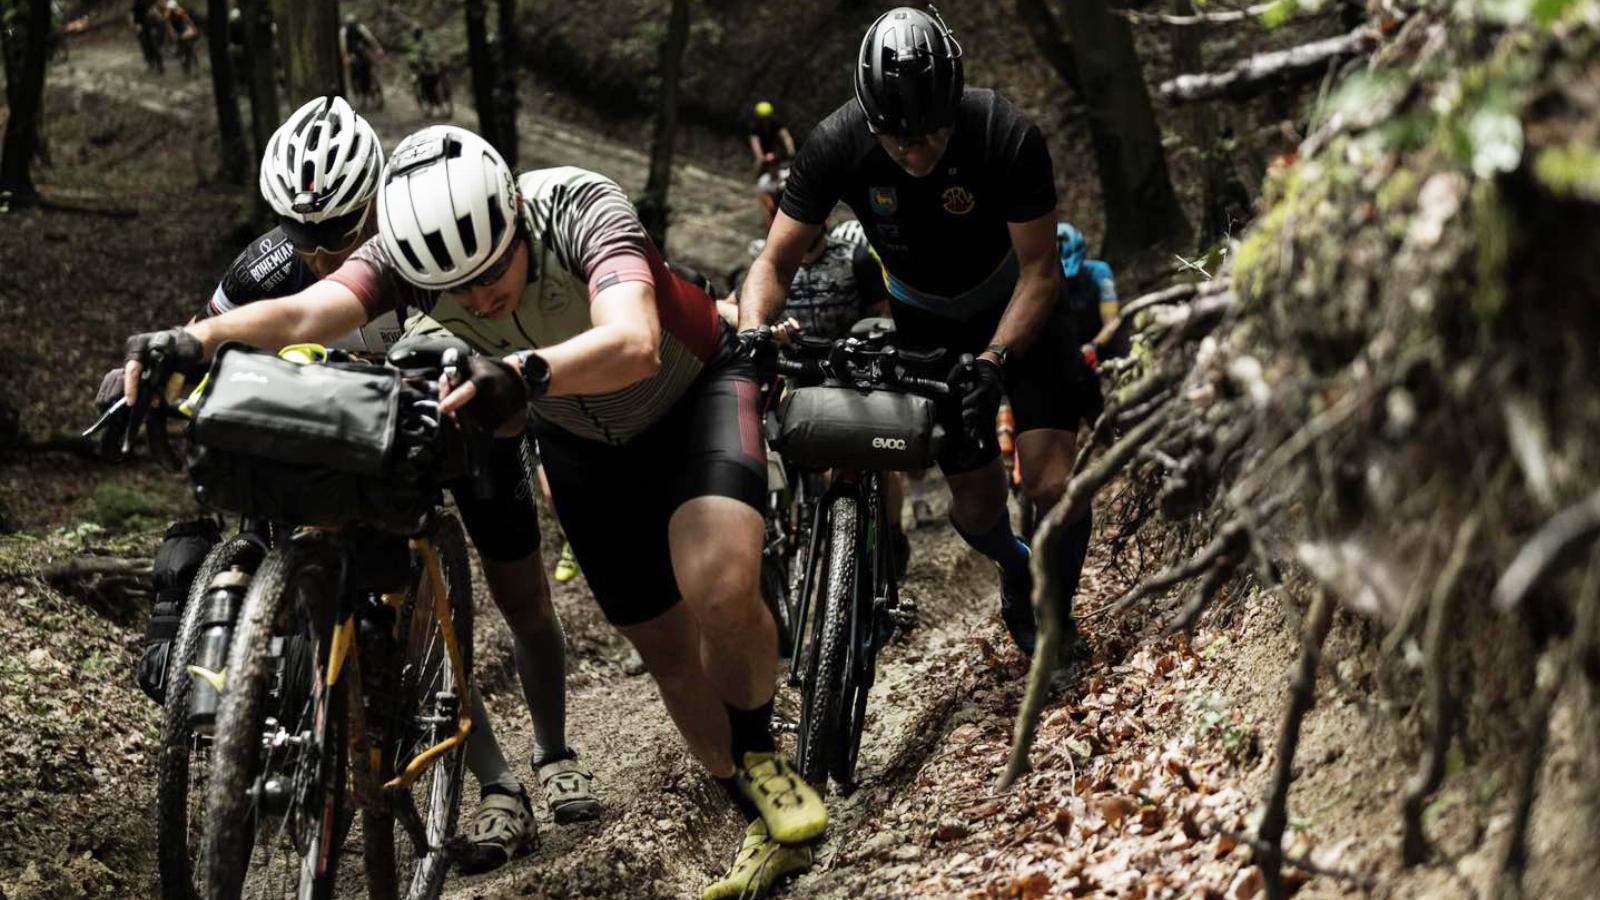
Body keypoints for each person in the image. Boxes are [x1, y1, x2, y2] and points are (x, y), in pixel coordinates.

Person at [120, 124, 828, 900]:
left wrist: (521, 372)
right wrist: (192, 341)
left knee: (718, 583)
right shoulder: (400, 254)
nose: (483, 295)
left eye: (494, 271)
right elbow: (302, 314)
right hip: (579, 440)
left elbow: (634, 341)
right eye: (457, 290)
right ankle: (749, 810)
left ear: (516, 220)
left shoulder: (581, 206)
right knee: (665, 656)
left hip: (692, 394)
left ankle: (763, 754)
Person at [107, 100, 600, 874]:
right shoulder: (264, 269)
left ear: (377, 199)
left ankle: (556, 750)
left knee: (523, 596)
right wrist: (156, 367)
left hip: (454, 413)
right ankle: (495, 785)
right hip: (353, 448)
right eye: (301, 235)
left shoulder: (423, 237)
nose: (319, 253)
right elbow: (219, 344)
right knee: (397, 614)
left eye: (341, 232)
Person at [737, 5, 1099, 670]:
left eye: (930, 134)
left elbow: (1043, 272)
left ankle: (1054, 616)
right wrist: (754, 334)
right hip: (927, 319)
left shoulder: (1004, 133)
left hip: (1019, 304)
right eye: (896, 140)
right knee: (975, 507)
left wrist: (994, 359)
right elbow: (773, 262)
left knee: (1053, 486)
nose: (915, 152)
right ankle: (1016, 566)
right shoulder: (836, 143)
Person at [1056, 222, 1128, 370]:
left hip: (1107, 344)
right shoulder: (1049, 287)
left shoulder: (1100, 272)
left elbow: (1112, 321)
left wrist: (1093, 346)